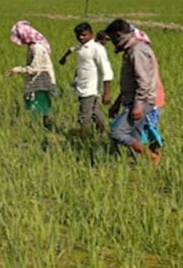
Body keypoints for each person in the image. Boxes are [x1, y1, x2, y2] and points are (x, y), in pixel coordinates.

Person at [103, 19, 164, 165]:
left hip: (141, 101)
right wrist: (117, 104)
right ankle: (140, 162)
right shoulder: (130, 50)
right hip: (134, 100)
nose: (112, 43)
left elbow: (143, 82)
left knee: (117, 132)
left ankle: (151, 156)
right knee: (133, 134)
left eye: (112, 39)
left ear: (119, 34)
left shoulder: (137, 51)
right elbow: (129, 84)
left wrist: (138, 105)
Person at [59, 22, 113, 138]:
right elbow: (71, 49)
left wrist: (107, 93)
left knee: (84, 115)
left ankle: (82, 139)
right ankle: (103, 133)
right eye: (78, 36)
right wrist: (63, 58)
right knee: (95, 112)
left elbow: (106, 70)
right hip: (82, 86)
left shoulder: (97, 49)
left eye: (84, 35)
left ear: (91, 34)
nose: (81, 38)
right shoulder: (81, 47)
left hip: (90, 88)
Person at [5, 21, 57, 128]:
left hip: (41, 81)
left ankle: (40, 126)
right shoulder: (32, 46)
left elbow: (35, 68)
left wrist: (17, 70)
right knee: (40, 105)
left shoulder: (37, 48)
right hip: (38, 81)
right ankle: (43, 126)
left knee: (38, 105)